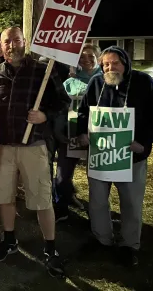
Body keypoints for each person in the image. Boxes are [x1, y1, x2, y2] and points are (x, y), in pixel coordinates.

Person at [0, 26, 70, 277]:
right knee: (4, 196)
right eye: (6, 42)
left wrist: (45, 115)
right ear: (0, 47)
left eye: (15, 40)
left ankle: (50, 248)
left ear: (25, 42)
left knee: (42, 198)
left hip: (34, 146)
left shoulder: (42, 70)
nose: (11, 45)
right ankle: (10, 240)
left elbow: (63, 102)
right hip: (4, 147)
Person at [77, 46, 153, 267]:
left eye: (114, 63)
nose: (110, 67)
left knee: (131, 203)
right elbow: (82, 112)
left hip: (131, 157)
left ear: (125, 63)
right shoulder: (96, 83)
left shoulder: (144, 82)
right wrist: (81, 133)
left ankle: (129, 245)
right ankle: (102, 239)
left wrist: (144, 143)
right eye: (106, 64)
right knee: (97, 202)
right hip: (100, 156)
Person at [55, 44, 102, 221]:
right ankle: (61, 208)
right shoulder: (68, 83)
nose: (86, 60)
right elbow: (60, 109)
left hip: (97, 137)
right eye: (82, 57)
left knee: (97, 180)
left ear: (98, 58)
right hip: (71, 136)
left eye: (91, 56)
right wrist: (60, 133)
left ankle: (98, 213)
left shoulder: (105, 81)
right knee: (63, 175)